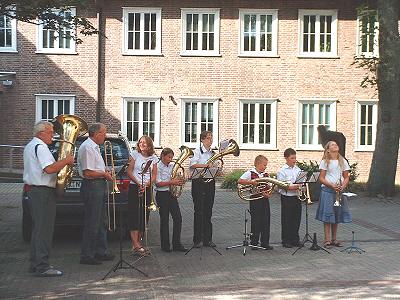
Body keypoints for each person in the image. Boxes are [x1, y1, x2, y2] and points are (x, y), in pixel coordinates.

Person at [23, 121, 74, 276]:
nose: (53, 135)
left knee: (38, 229)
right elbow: (49, 168)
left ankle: (35, 263)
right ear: (41, 133)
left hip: (35, 191)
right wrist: (66, 161)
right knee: (44, 230)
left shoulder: (31, 145)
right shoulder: (41, 147)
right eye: (51, 132)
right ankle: (42, 266)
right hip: (42, 192)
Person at [78, 123, 115, 265]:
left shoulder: (94, 147)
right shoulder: (88, 147)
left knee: (101, 221)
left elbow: (95, 168)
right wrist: (104, 174)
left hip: (98, 185)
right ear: (97, 134)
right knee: (92, 222)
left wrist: (105, 170)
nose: (105, 136)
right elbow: (88, 172)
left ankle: (101, 251)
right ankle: (87, 255)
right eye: (104, 133)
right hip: (92, 186)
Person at [315, 140, 351, 248]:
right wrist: (331, 185)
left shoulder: (342, 160)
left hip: (338, 191)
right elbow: (321, 178)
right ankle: (327, 239)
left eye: (336, 144)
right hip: (328, 190)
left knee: (336, 214)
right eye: (332, 145)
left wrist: (343, 186)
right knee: (328, 216)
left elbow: (346, 177)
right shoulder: (325, 161)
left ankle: (334, 239)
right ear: (328, 149)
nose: (335, 145)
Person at [126, 135, 158, 255]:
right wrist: (138, 183)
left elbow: (154, 174)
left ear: (149, 145)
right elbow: (129, 171)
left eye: (144, 142)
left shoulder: (154, 158)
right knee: (134, 215)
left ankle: (139, 243)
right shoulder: (135, 154)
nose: (142, 144)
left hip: (147, 188)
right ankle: (135, 244)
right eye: (140, 142)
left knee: (144, 216)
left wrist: (147, 184)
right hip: (135, 186)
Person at [155, 148, 188, 252]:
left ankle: (176, 244)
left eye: (171, 157)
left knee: (178, 218)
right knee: (164, 220)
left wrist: (181, 179)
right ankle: (165, 246)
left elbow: (175, 177)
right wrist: (172, 182)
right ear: (163, 156)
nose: (170, 159)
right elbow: (157, 183)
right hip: (161, 194)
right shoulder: (157, 166)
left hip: (171, 194)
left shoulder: (172, 166)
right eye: (169, 157)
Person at [238, 155, 273, 250]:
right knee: (256, 221)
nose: (266, 167)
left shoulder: (266, 175)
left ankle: (265, 243)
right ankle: (254, 242)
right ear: (258, 164)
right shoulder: (250, 173)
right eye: (264, 165)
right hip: (255, 200)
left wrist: (268, 194)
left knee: (266, 221)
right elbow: (240, 181)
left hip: (264, 200)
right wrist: (251, 182)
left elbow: (270, 187)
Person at [189, 130, 217, 248]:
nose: (210, 140)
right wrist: (206, 165)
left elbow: (214, 165)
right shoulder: (197, 152)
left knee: (208, 211)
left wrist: (216, 167)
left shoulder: (213, 153)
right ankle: (197, 239)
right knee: (199, 211)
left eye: (211, 138)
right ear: (202, 140)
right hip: (198, 182)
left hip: (210, 182)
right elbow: (192, 165)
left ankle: (207, 239)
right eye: (208, 138)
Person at [277, 148, 303, 248]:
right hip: (287, 197)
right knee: (287, 219)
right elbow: (281, 185)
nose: (294, 160)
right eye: (292, 158)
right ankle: (286, 240)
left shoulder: (298, 170)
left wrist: (302, 187)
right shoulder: (282, 171)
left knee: (296, 219)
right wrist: (293, 186)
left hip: (296, 197)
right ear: (286, 158)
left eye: (295, 158)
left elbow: (301, 182)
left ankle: (295, 239)